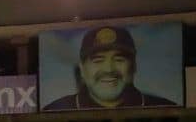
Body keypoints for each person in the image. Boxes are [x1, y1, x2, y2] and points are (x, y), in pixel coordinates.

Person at [42, 25, 176, 110]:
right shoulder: (55, 109)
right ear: (82, 69)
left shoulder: (165, 107)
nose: (109, 69)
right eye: (98, 60)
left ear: (134, 65)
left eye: (119, 59)